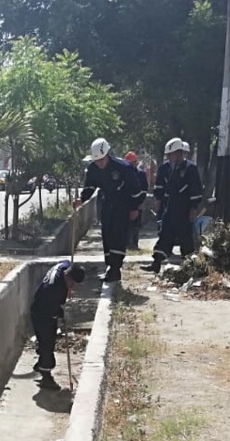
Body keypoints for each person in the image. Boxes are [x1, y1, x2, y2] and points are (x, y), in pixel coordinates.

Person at [74, 138, 144, 283]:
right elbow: (89, 187)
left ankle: (115, 268)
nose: (99, 164)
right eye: (97, 161)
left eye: (101, 160)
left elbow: (135, 190)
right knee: (107, 235)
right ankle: (110, 266)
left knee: (118, 235)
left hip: (122, 204)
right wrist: (81, 200)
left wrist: (134, 207)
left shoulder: (123, 168)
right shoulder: (93, 169)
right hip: (106, 204)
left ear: (107, 155)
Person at [146, 137, 204, 273]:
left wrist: (193, 209)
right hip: (170, 208)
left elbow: (195, 190)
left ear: (179, 153)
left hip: (184, 209)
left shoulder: (190, 169)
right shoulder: (167, 169)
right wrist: (158, 201)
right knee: (164, 235)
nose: (169, 157)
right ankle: (156, 263)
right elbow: (161, 187)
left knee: (185, 238)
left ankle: (189, 266)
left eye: (171, 155)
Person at [31, 260, 86, 390]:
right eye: (72, 283)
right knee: (47, 344)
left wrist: (67, 290)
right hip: (41, 313)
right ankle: (46, 377)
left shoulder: (65, 266)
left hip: (44, 307)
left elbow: (66, 264)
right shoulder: (53, 289)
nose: (72, 287)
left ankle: (41, 362)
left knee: (47, 340)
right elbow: (51, 310)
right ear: (68, 276)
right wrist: (62, 313)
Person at [124, 151, 149, 250]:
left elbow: (144, 189)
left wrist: (140, 202)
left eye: (132, 163)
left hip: (137, 203)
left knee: (136, 225)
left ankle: (134, 243)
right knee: (125, 224)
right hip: (126, 204)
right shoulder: (123, 174)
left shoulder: (140, 174)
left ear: (136, 162)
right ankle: (126, 243)